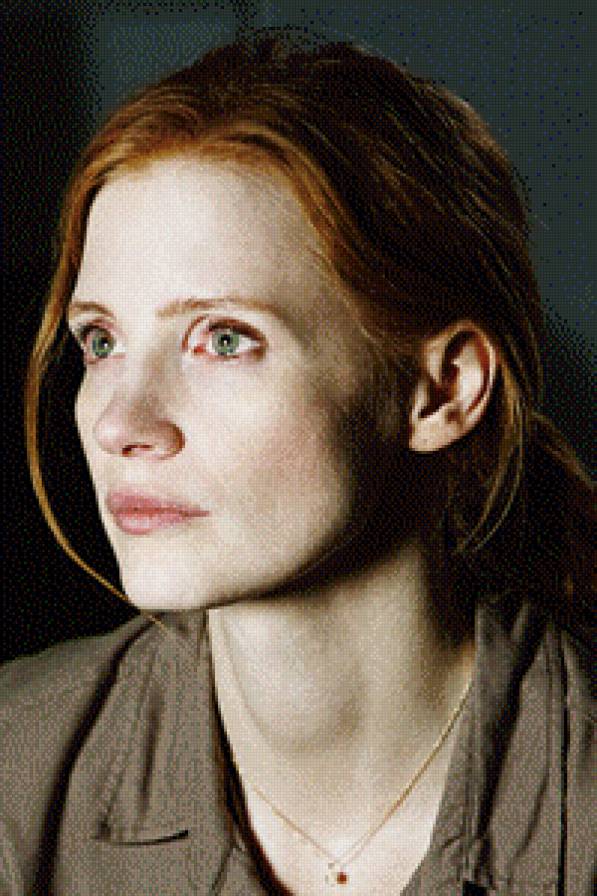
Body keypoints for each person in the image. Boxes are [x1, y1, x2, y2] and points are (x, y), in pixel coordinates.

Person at [1, 28, 594, 896]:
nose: (123, 423)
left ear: (441, 390)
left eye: (223, 339)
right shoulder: (18, 772)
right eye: (100, 340)